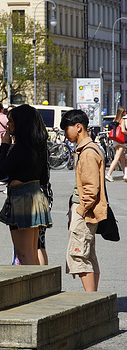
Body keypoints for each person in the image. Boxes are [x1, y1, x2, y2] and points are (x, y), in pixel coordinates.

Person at [0, 104, 52, 265]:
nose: (8, 125)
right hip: (33, 195)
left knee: (24, 254)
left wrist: (4, 144)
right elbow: (43, 177)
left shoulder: (21, 147)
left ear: (21, 123)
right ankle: (36, 287)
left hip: (22, 198)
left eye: (11, 121)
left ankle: (33, 289)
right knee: (31, 252)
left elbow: (1, 173)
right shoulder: (39, 145)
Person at [60, 110, 106, 291]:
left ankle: (90, 300)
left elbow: (90, 188)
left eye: (67, 128)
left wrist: (81, 210)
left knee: (79, 255)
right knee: (88, 254)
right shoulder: (90, 149)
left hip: (84, 210)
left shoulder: (87, 153)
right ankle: (94, 299)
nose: (65, 133)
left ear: (78, 127)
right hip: (86, 209)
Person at [105, 106, 126, 182]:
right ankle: (108, 174)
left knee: (122, 159)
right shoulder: (122, 120)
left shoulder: (115, 120)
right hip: (121, 140)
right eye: (124, 111)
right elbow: (123, 130)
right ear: (122, 113)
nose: (125, 113)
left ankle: (125, 174)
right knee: (117, 158)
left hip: (115, 140)